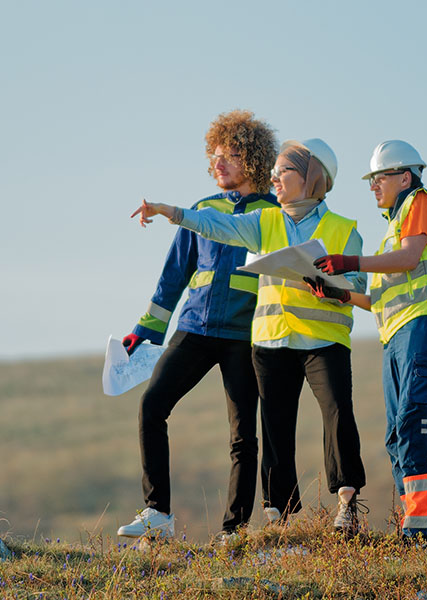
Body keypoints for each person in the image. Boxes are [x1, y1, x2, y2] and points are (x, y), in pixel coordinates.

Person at [131, 138, 368, 533]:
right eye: (273, 171)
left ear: (311, 178)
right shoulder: (263, 222)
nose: (275, 177)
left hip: (315, 340)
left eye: (284, 171)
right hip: (268, 339)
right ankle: (275, 517)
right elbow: (210, 231)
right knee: (274, 429)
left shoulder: (340, 228)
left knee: (331, 416)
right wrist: (169, 211)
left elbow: (361, 286)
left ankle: (337, 506)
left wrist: (338, 289)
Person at [114, 110, 278, 545]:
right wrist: (144, 331)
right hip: (195, 328)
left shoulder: (275, 215)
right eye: (215, 155)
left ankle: (235, 532)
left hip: (246, 337)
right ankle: (157, 513)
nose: (219, 163)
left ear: (256, 160)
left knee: (244, 435)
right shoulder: (201, 211)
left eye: (232, 155)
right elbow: (173, 279)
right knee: (152, 406)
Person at [312, 140, 427, 542]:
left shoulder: (420, 203)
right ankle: (413, 523)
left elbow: (410, 258)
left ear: (404, 176)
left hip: (423, 326)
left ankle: (421, 528)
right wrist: (338, 292)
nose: (373, 186)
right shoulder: (392, 230)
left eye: (379, 177)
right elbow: (378, 298)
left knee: (413, 420)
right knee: (397, 432)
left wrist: (350, 263)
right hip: (397, 335)